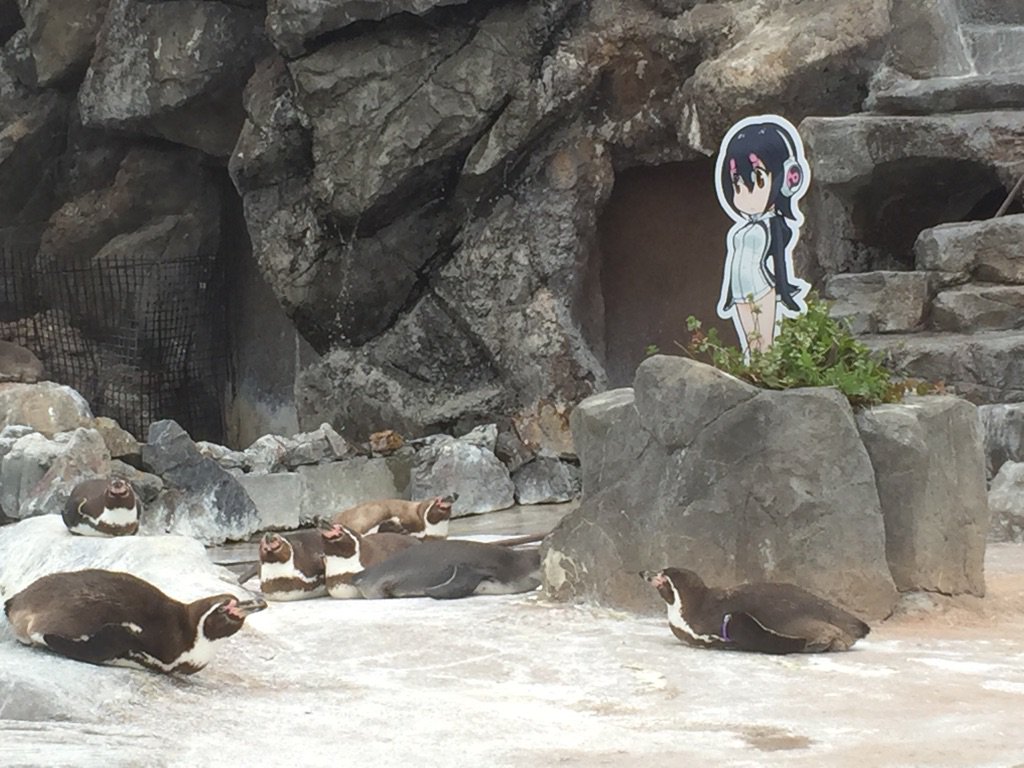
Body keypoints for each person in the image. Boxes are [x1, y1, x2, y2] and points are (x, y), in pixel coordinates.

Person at [714, 116, 811, 357]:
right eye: (737, 182)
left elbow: (779, 261)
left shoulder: (772, 225)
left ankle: (769, 375)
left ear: (789, 178)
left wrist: (784, 291)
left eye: (757, 179)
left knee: (765, 344)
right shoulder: (744, 227)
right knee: (751, 346)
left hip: (761, 287)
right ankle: (753, 374)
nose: (744, 193)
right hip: (738, 290)